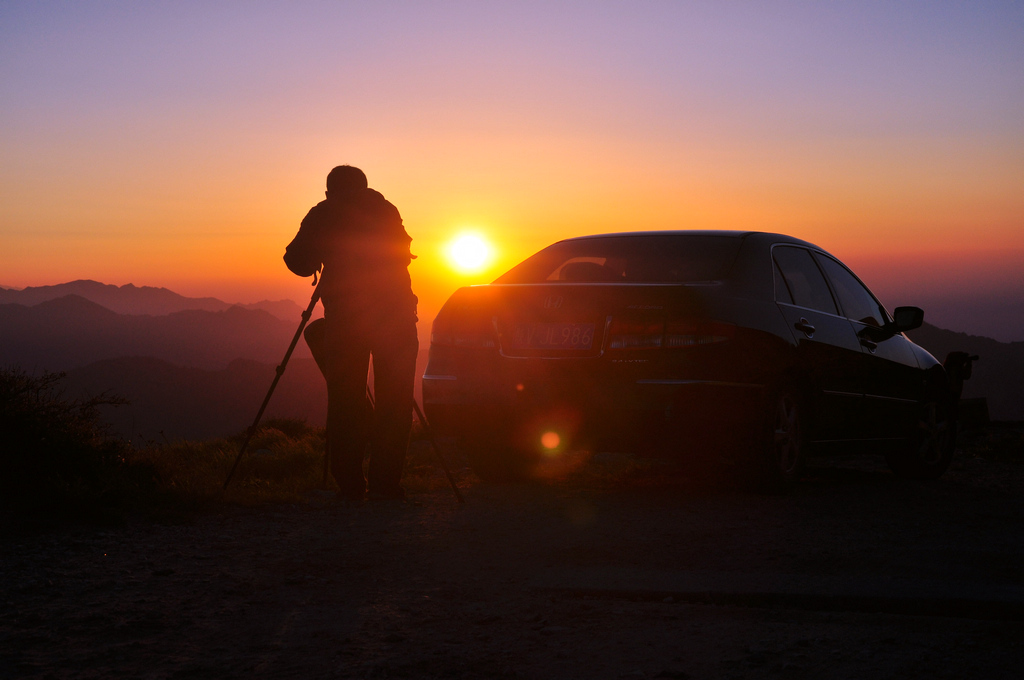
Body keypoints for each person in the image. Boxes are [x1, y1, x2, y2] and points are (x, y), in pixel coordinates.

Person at [284, 165, 418, 502]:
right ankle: (387, 485)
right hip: (397, 316)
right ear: (366, 186)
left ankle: (350, 484)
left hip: (347, 320)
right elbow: (403, 253)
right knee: (396, 401)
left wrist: (324, 251)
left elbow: (297, 261)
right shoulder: (386, 209)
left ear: (330, 191)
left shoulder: (324, 212)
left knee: (345, 398)